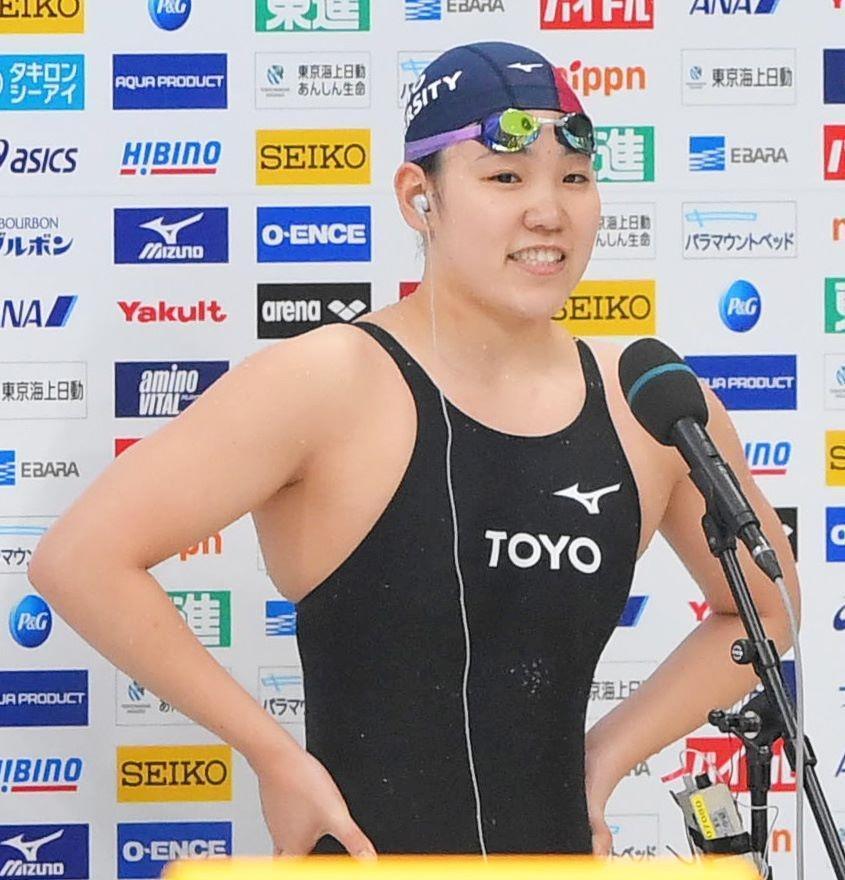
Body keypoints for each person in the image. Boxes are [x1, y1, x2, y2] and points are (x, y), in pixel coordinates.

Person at [28, 40, 800, 858]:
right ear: (417, 196)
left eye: (574, 178)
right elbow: (80, 560)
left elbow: (767, 606)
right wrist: (270, 754)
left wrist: (603, 758)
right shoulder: (330, 380)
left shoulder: (646, 400)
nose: (548, 211)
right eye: (504, 177)